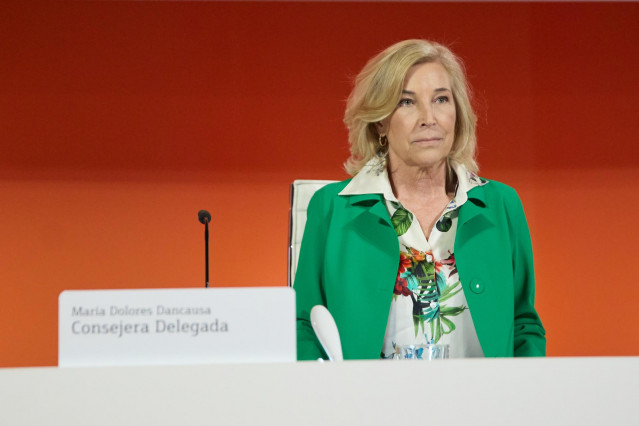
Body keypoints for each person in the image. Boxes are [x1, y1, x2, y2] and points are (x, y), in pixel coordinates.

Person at [295, 39, 545, 360]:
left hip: (481, 405)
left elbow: (524, 324)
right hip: (368, 405)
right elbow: (303, 325)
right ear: (381, 121)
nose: (429, 117)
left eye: (441, 99)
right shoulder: (330, 208)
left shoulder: (502, 205)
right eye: (406, 102)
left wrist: (522, 398)